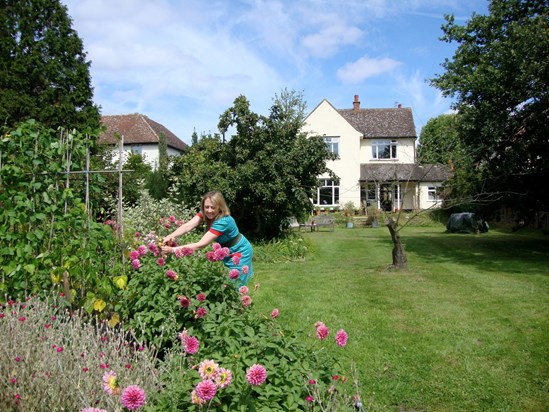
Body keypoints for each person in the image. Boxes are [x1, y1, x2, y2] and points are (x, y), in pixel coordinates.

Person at [161, 191, 253, 286]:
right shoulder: (206, 213)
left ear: (220, 207)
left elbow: (201, 244)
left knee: (235, 285)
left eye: (213, 207)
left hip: (240, 251)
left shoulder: (223, 221)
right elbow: (187, 226)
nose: (209, 210)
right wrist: (171, 236)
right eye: (206, 207)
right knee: (224, 282)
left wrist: (173, 250)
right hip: (226, 250)